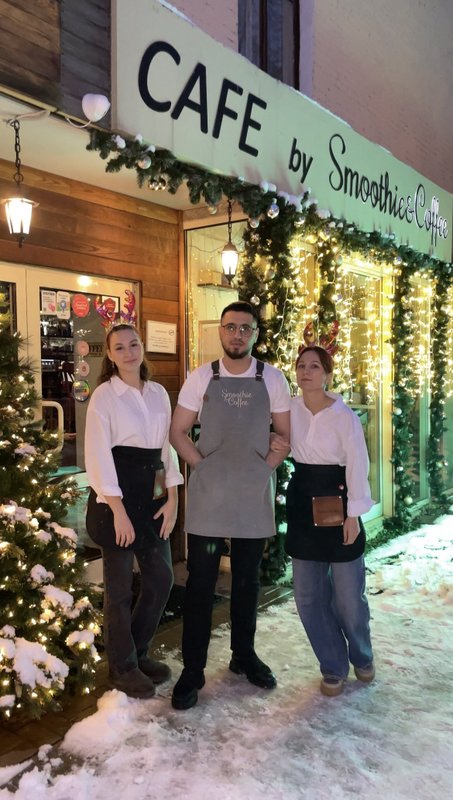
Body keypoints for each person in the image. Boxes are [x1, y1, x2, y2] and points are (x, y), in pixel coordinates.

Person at [169, 301, 291, 710]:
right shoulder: (201, 377)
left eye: (245, 328)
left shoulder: (272, 378)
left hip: (252, 497)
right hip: (209, 498)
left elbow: (284, 436)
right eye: (230, 327)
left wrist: (264, 468)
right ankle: (193, 669)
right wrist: (200, 465)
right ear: (220, 331)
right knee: (200, 583)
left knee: (246, 581)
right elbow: (178, 431)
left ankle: (244, 655)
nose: (237, 334)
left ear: (255, 334)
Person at [84, 323, 184, 699]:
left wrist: (173, 497)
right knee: (120, 590)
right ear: (110, 356)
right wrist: (118, 510)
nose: (129, 352)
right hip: (116, 497)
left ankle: (138, 653)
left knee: (161, 579)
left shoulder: (157, 393)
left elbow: (166, 449)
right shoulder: (104, 397)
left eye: (134, 344)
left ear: (142, 348)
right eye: (120, 347)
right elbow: (97, 453)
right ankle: (121, 667)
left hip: (153, 497)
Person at [273, 344, 375, 697]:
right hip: (303, 501)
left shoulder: (344, 416)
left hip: (339, 501)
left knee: (348, 599)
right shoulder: (290, 409)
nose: (306, 372)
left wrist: (353, 515)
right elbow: (276, 436)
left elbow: (358, 464)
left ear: (327, 374)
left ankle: (361, 653)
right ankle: (333, 664)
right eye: (301, 365)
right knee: (307, 597)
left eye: (314, 366)